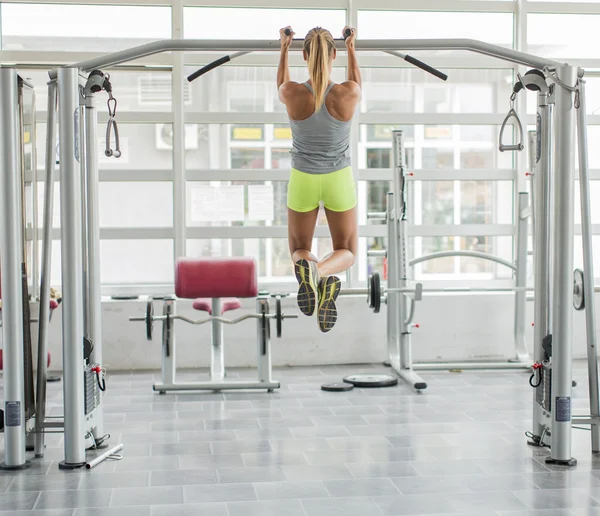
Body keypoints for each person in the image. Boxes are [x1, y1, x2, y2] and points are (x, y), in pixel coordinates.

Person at [277, 25, 361, 333]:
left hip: (303, 179)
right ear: (334, 55)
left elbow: (281, 82)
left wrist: (283, 47)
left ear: (304, 55)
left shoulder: (292, 93)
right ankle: (322, 271)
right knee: (347, 249)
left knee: (299, 246)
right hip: (338, 178)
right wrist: (352, 47)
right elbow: (356, 82)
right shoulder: (347, 94)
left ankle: (309, 269)